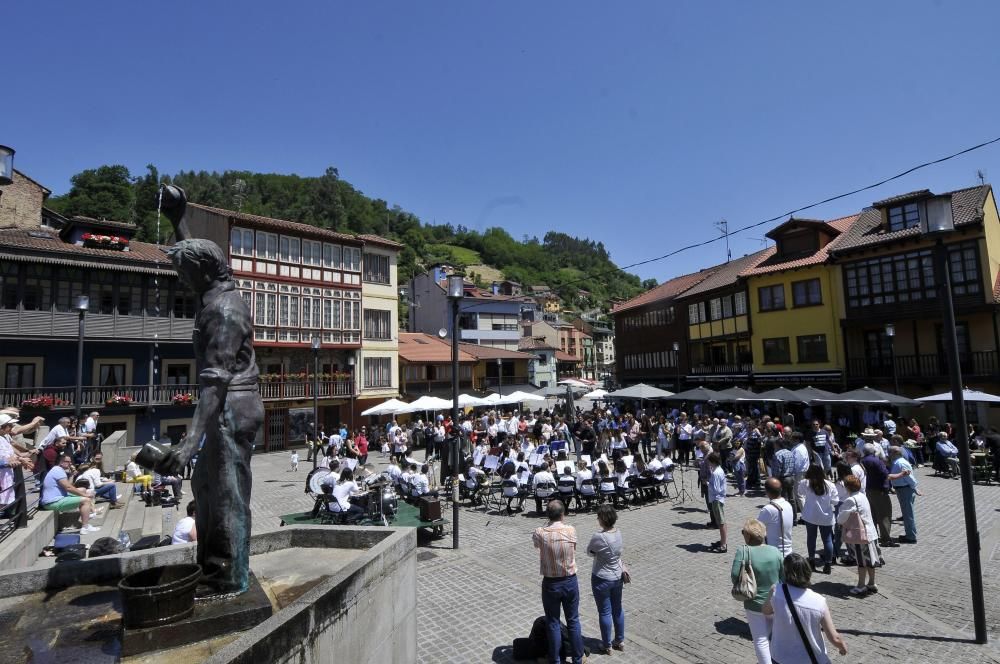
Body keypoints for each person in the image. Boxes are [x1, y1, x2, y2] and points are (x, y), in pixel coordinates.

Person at [763, 553, 848, 664]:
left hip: (780, 657)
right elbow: (834, 638)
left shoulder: (776, 591)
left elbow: (765, 610)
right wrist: (842, 647)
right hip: (810, 659)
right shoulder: (819, 601)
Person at [532, 500, 585, 664]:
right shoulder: (571, 530)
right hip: (569, 580)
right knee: (573, 621)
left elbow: (536, 545)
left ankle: (555, 660)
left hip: (551, 583)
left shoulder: (540, 532)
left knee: (553, 622)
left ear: (548, 515)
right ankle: (577, 658)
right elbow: (574, 548)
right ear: (563, 514)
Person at [731, 518, 783, 664]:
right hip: (774, 603)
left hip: (753, 603)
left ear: (748, 536)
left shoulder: (743, 551)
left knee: (760, 639)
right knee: (773, 636)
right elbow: (784, 577)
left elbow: (735, 576)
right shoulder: (775, 551)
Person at [587, 504, 625, 655]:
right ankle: (620, 641)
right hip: (617, 576)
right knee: (618, 609)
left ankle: (607, 645)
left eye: (598, 517)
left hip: (601, 577)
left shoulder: (599, 536)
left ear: (602, 519)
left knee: (604, 612)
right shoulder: (619, 532)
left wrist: (598, 554)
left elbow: (589, 552)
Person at [836, 474, 881, 596]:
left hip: (859, 535)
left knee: (861, 562)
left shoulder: (850, 500)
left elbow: (841, 519)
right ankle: (871, 582)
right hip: (871, 533)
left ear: (847, 487)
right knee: (870, 560)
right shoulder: (862, 496)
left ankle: (861, 585)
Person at [41, 455, 100, 533]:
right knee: (86, 500)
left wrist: (72, 474)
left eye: (70, 461)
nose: (70, 463)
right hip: (52, 502)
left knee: (84, 490)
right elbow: (68, 488)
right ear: (61, 462)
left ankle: (90, 512)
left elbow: (69, 484)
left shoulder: (58, 470)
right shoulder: (58, 471)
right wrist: (84, 495)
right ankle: (85, 527)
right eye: (67, 462)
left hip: (59, 497)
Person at [799, 464, 839, 575]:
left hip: (810, 516)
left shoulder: (805, 483)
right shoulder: (830, 485)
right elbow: (835, 501)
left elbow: (800, 493)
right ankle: (828, 564)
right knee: (827, 540)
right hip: (825, 517)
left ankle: (811, 561)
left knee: (811, 538)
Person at [861, 442, 896, 548]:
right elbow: (886, 475)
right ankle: (885, 539)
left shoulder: (862, 461)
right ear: (874, 451)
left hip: (868, 490)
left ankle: (873, 536)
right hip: (879, 491)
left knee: (872, 515)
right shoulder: (876, 461)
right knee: (884, 515)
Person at [887, 446, 918, 544]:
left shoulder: (900, 463)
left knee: (908, 514)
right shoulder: (898, 462)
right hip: (903, 489)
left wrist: (914, 487)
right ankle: (911, 533)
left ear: (895, 453)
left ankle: (911, 536)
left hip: (905, 489)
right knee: (907, 513)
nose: (889, 454)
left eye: (890, 452)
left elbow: (909, 477)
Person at [758, 478, 793, 556]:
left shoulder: (768, 509)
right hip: (789, 552)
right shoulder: (788, 505)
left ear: (767, 492)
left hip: (774, 554)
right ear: (781, 490)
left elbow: (756, 530)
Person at [707, 453, 728, 553]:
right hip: (720, 498)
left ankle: (723, 545)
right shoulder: (719, 469)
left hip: (717, 499)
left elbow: (716, 489)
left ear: (712, 461)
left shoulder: (715, 473)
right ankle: (722, 541)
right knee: (721, 522)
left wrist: (707, 483)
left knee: (721, 523)